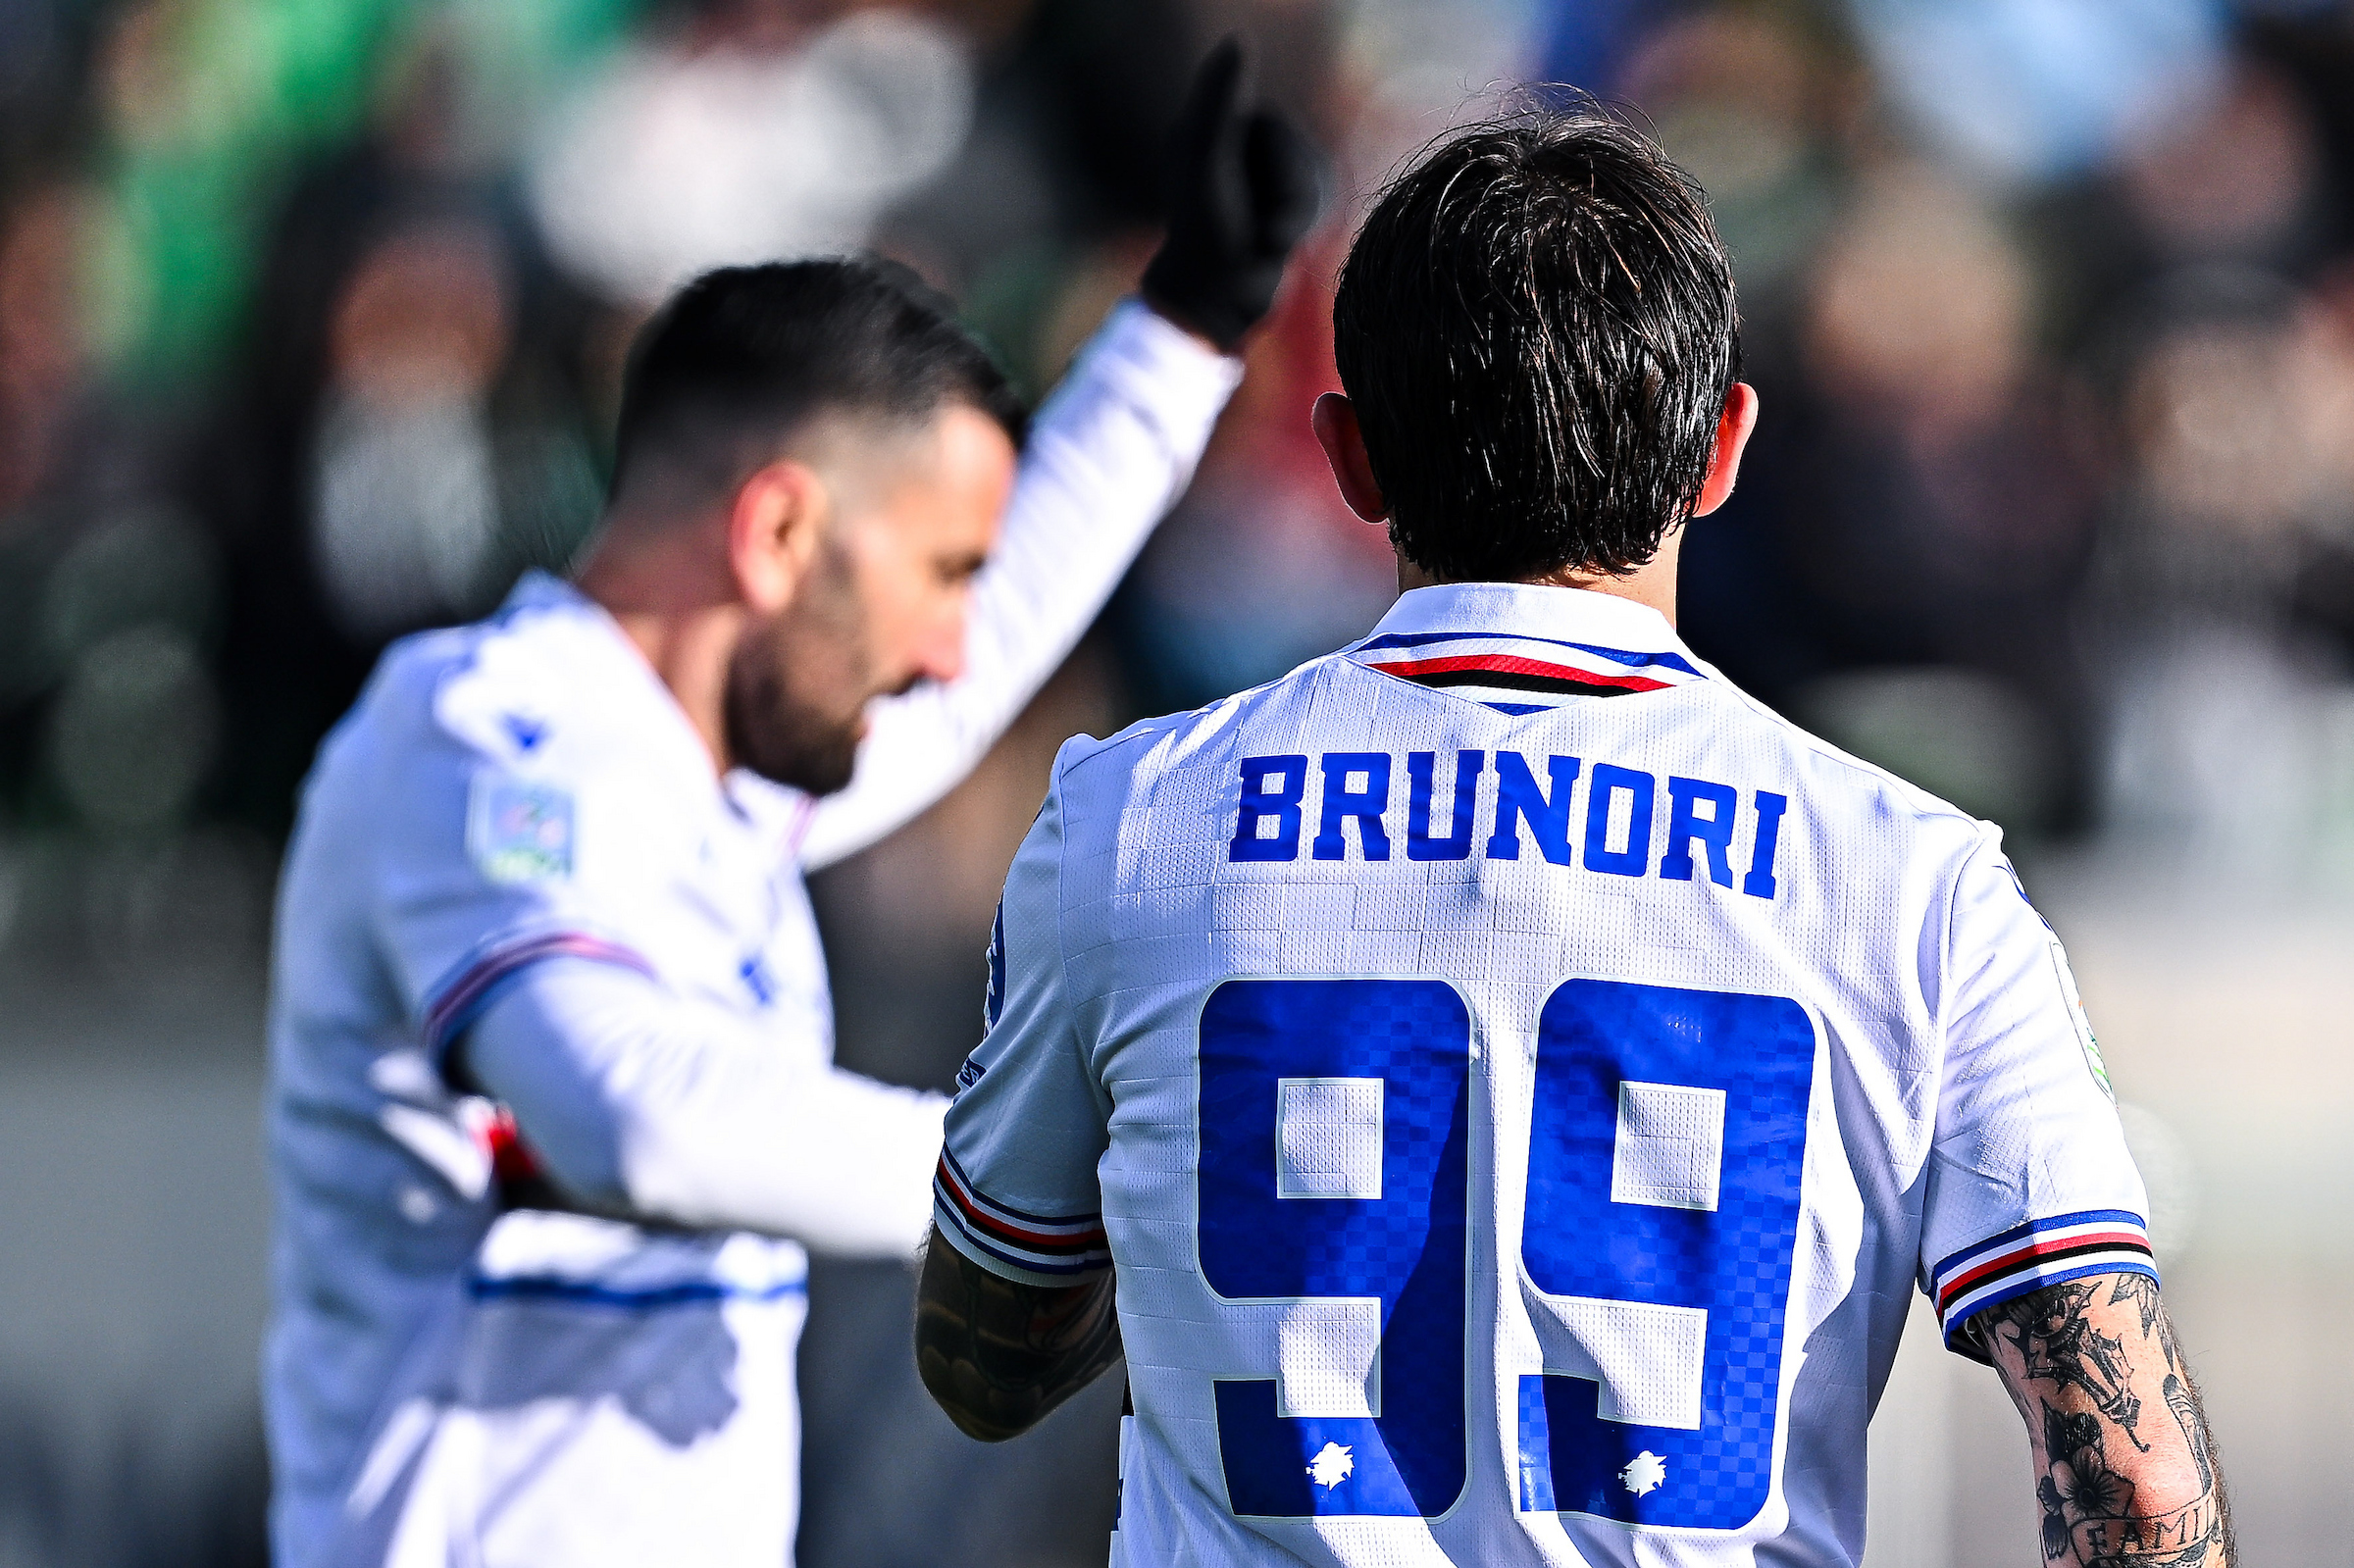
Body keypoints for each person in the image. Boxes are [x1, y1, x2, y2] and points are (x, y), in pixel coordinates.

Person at [916, 107, 2234, 1568]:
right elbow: (2140, 1493)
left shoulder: (1133, 819)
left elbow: (986, 1361)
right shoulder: (1915, 879)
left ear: (1351, 457)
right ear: (1721, 449)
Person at [262, 43, 1318, 1568]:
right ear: (774, 536)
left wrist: (1187, 330)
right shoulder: (478, 746)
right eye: (940, 573)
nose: (953, 647)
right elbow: (633, 1116)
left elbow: (981, 660)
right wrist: (1064, 1181)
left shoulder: (712, 786)